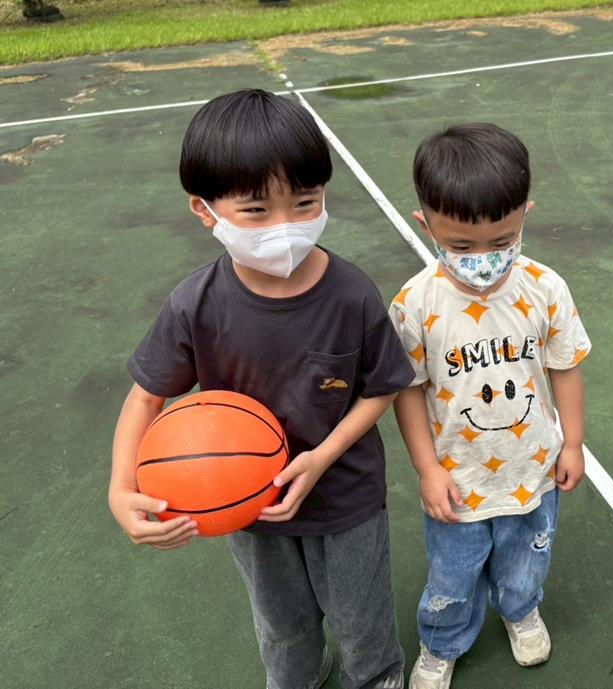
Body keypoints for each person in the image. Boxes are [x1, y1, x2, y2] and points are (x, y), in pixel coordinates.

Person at [107, 89, 413, 689]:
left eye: (305, 203)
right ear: (205, 210)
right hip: (246, 505)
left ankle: (377, 678)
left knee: (363, 623)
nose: (285, 227)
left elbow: (383, 387)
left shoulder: (351, 294)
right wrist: (121, 488)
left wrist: (322, 457)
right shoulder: (195, 304)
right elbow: (145, 396)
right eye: (256, 210)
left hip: (345, 498)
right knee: (282, 627)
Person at [388, 123, 591, 689]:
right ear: (425, 225)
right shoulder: (414, 304)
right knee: (452, 575)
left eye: (501, 241)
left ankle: (520, 611)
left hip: (534, 467)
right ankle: (442, 643)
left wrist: (573, 442)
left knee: (526, 560)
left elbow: (565, 367)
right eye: (461, 246)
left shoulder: (545, 288)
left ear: (525, 214)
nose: (483, 259)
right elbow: (406, 390)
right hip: (458, 479)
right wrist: (427, 469)